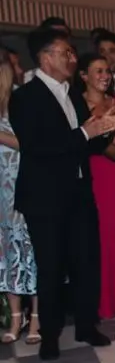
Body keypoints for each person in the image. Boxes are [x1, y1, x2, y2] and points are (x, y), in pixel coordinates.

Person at [9, 29, 115, 360]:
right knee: (52, 266)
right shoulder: (25, 97)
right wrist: (88, 130)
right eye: (66, 53)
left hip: (78, 191)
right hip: (45, 197)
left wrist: (106, 130)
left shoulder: (72, 94)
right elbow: (38, 147)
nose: (73, 58)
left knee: (86, 260)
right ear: (46, 58)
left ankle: (86, 326)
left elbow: (82, 144)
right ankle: (50, 335)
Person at [79, 54, 115, 321]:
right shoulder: (79, 104)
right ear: (83, 76)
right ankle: (104, 302)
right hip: (98, 173)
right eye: (97, 70)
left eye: (107, 71)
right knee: (102, 239)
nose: (105, 75)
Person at [0, 59, 39, 344]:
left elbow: (32, 143)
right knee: (6, 254)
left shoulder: (21, 101)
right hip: (1, 192)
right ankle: (16, 317)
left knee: (30, 249)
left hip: (21, 187)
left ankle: (36, 317)